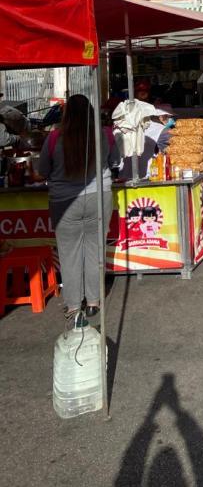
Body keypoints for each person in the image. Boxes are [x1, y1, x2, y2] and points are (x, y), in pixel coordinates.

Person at [38, 94, 120, 327]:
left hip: (65, 202)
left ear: (66, 114)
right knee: (96, 249)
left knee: (69, 253)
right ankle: (94, 301)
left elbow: (43, 169)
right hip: (99, 197)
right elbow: (115, 162)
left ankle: (74, 305)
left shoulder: (54, 138)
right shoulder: (105, 134)